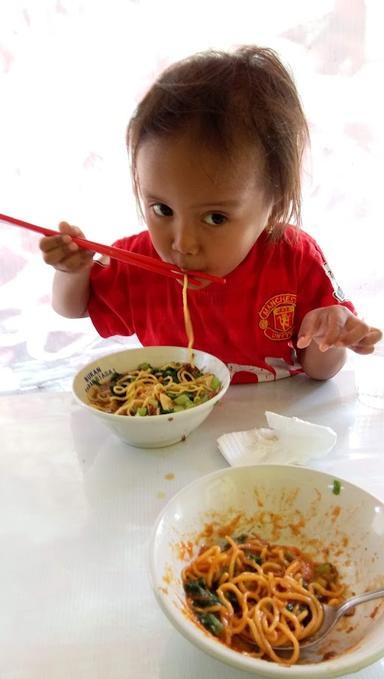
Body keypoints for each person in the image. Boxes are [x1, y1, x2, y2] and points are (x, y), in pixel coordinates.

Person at [39, 46, 382, 384]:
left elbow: (320, 371)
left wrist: (330, 335)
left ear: (274, 204)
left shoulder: (293, 257)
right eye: (162, 210)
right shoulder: (138, 261)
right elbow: (73, 307)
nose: (183, 243)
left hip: (274, 430)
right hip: (174, 430)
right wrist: (72, 270)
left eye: (215, 218)